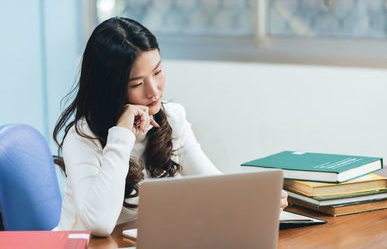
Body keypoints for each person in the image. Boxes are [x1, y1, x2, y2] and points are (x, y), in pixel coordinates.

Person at [53, 17, 288, 237]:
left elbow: (214, 186)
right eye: (137, 83)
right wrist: (122, 135)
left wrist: (255, 201)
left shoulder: (173, 119)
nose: (154, 90)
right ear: (110, 89)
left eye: (157, 72)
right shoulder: (82, 138)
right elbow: (100, 223)